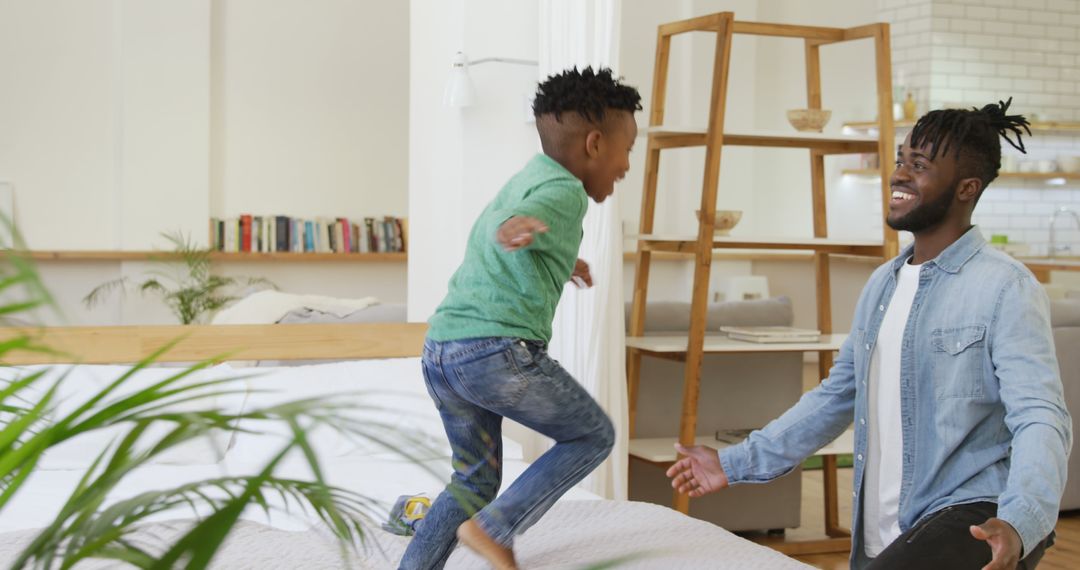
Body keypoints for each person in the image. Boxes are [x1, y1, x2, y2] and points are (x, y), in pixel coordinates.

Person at [667, 98, 1071, 570]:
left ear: (967, 188)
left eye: (918, 166)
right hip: (884, 530)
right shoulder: (883, 283)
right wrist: (734, 463)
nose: (899, 174)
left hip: (975, 513)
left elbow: (1041, 418)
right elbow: (837, 395)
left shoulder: (1006, 286)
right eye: (900, 160)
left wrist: (1023, 520)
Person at [399, 67, 641, 570]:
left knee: (473, 479)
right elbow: (514, 223)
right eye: (627, 152)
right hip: (494, 352)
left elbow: (515, 221)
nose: (626, 167)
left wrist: (556, 256)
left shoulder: (530, 175)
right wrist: (516, 231)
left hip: (443, 350)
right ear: (594, 144)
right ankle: (494, 527)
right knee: (593, 435)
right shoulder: (566, 191)